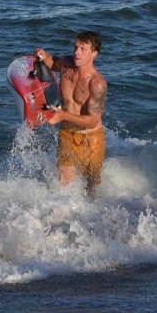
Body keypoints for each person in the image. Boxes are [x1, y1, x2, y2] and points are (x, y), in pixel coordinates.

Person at [34, 31, 107, 196]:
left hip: (91, 140)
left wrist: (63, 115)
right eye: (75, 47)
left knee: (91, 191)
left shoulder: (97, 84)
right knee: (64, 181)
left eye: (83, 49)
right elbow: (53, 63)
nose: (76, 52)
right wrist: (43, 55)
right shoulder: (67, 64)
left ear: (94, 54)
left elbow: (92, 121)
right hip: (67, 135)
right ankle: (61, 212)